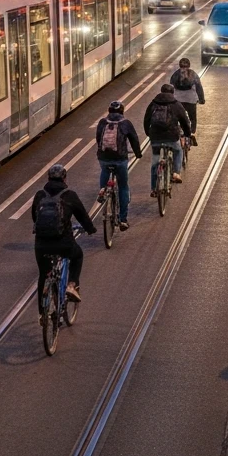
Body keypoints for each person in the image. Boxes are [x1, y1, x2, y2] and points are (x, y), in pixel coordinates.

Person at [31, 164, 96, 315]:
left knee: (43, 274)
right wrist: (90, 229)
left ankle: (42, 313)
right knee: (77, 255)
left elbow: (35, 217)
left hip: (41, 245)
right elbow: (82, 216)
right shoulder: (69, 195)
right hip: (64, 243)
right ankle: (72, 285)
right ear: (65, 178)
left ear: (48, 178)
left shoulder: (40, 195)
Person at [95, 100, 142, 231]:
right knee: (123, 187)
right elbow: (134, 139)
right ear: (122, 111)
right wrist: (138, 154)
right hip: (120, 159)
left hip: (104, 158)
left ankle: (102, 190)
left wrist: (102, 153)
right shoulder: (125, 123)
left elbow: (98, 138)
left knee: (104, 170)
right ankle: (123, 219)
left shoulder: (102, 122)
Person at [143, 82, 191, 191]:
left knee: (155, 160)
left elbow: (146, 120)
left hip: (155, 137)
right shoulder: (176, 104)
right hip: (172, 136)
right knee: (178, 151)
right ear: (172, 93)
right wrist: (187, 134)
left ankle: (154, 188)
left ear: (161, 91)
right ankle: (175, 173)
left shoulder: (153, 103)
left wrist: (148, 133)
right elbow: (184, 121)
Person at [169, 57, 205, 142]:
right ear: (189, 65)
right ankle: (192, 132)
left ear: (179, 65)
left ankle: (176, 130)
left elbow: (171, 86)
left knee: (176, 116)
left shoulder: (175, 74)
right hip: (191, 100)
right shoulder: (193, 74)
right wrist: (201, 99)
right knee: (192, 117)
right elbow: (199, 87)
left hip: (178, 100)